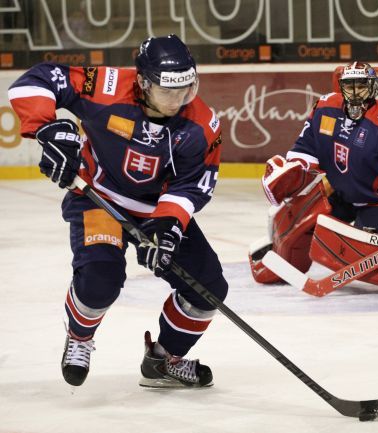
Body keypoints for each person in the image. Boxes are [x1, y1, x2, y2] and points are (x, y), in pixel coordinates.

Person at [7, 35, 226, 388]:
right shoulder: (107, 87)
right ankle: (79, 337)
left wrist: (168, 225)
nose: (179, 100)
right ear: (143, 82)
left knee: (208, 289)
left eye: (186, 89)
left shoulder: (201, 124)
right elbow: (36, 80)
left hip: (156, 210)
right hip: (98, 198)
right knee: (99, 281)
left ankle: (164, 360)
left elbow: (193, 184)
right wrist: (48, 128)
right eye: (168, 91)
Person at [249, 62, 378, 296]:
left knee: (346, 247)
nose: (355, 92)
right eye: (350, 86)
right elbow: (305, 147)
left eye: (362, 86)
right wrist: (291, 171)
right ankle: (277, 257)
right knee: (296, 215)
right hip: (342, 195)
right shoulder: (324, 108)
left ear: (373, 88)